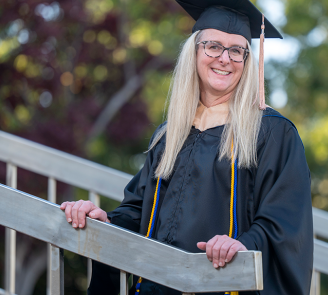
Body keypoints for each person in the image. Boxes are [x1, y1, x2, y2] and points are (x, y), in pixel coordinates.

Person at [60, 0, 313, 294]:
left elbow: (284, 221)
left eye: (236, 50)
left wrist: (244, 244)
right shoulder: (170, 135)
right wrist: (105, 220)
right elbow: (139, 212)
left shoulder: (272, 132)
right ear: (194, 51)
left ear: (247, 60)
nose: (225, 58)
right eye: (213, 46)